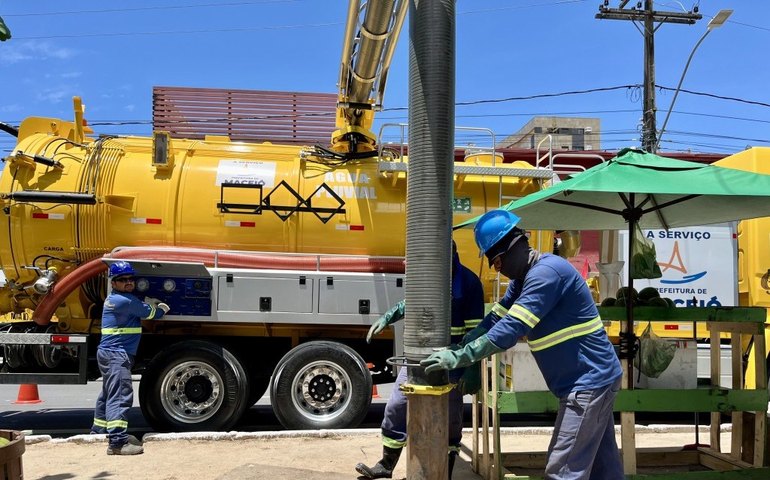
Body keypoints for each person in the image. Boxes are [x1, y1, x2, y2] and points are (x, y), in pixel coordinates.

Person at [421, 209, 624, 480]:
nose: (498, 270)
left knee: (562, 470)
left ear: (513, 248)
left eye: (496, 262)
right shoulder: (524, 279)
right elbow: (498, 316)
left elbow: (512, 327)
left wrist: (463, 356)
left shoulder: (547, 274)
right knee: (603, 469)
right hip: (590, 379)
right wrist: (468, 340)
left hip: (588, 383)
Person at [356, 241, 484, 479]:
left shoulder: (469, 283)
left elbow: (476, 332)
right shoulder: (427, 278)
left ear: (450, 257)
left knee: (451, 419)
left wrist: (472, 367)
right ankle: (386, 465)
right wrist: (390, 315)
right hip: (419, 359)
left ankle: (445, 471)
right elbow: (411, 303)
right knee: (396, 407)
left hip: (453, 362)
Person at [91, 261, 170, 456]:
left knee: (109, 393)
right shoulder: (124, 301)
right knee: (120, 394)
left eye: (130, 279)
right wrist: (161, 307)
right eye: (122, 279)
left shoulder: (116, 299)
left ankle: (99, 431)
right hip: (116, 354)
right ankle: (117, 442)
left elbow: (137, 309)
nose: (128, 282)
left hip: (109, 353)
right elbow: (150, 313)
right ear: (113, 283)